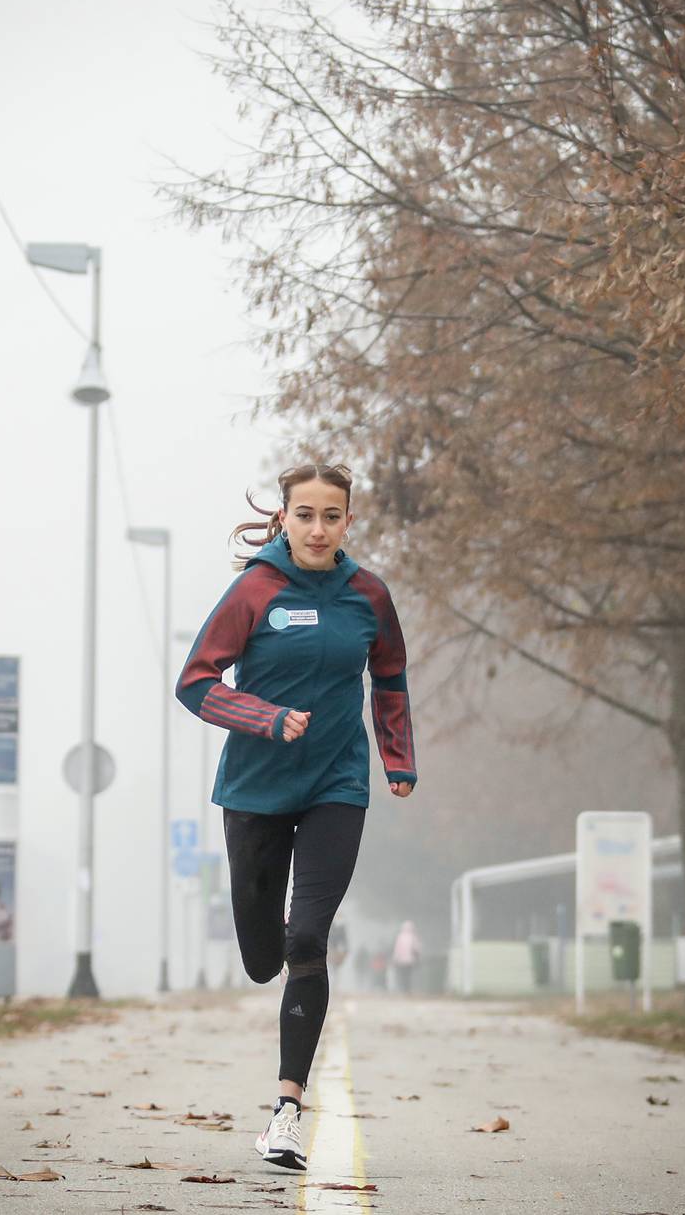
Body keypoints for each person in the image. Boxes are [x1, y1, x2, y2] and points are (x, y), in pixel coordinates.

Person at [176, 462, 417, 1172]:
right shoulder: (256, 588)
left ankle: (286, 1111)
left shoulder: (367, 593)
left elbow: (391, 674)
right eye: (304, 514)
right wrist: (266, 716)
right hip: (255, 788)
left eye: (331, 515)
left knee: (307, 936)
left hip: (337, 782)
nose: (318, 527)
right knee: (262, 957)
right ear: (283, 518)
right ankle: (271, 950)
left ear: (348, 521)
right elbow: (194, 683)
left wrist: (396, 757)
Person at [391, 919, 422, 994]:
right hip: (410, 960)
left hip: (402, 961)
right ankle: (407, 989)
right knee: (408, 975)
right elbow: (417, 948)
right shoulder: (413, 937)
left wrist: (395, 959)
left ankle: (404, 988)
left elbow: (397, 949)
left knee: (403, 975)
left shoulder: (400, 937)